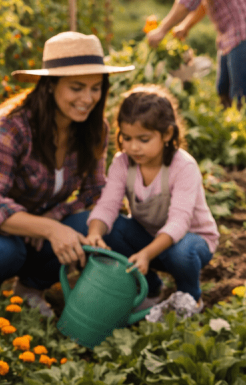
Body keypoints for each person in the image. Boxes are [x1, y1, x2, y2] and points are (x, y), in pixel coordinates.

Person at [0, 32, 134, 316]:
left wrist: (56, 217)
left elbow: (96, 192)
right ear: (50, 85)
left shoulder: (93, 128)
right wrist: (50, 228)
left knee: (90, 224)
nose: (88, 98)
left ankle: (29, 289)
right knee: (3, 252)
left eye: (95, 88)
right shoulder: (12, 126)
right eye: (77, 88)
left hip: (24, 234)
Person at [84, 85, 218, 307]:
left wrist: (146, 254)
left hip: (192, 241)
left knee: (181, 252)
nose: (133, 147)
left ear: (167, 134)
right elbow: (107, 205)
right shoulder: (122, 162)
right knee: (112, 229)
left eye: (143, 139)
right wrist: (94, 233)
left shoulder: (182, 166)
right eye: (126, 138)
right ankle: (150, 287)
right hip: (148, 238)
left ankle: (189, 297)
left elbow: (179, 222)